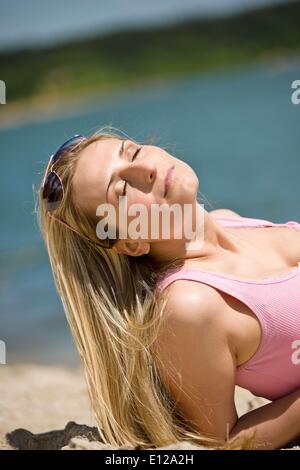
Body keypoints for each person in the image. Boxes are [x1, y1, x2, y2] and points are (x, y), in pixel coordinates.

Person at [37, 126, 300, 450]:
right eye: (121, 191)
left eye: (131, 152)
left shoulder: (230, 220)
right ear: (130, 242)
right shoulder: (190, 304)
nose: (146, 169)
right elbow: (221, 442)